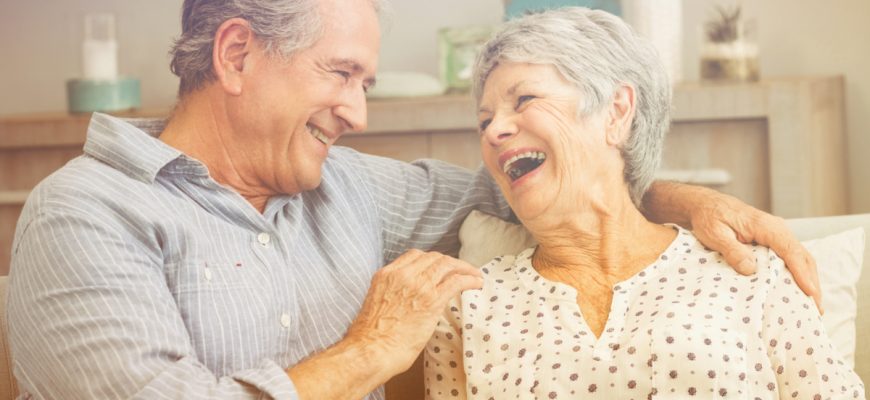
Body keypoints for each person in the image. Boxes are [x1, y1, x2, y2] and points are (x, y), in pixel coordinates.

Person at [7, 1, 820, 399]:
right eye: (341, 75)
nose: (359, 114)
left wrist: (675, 199)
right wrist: (365, 352)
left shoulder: (347, 187)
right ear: (235, 54)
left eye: (364, 81)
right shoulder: (85, 216)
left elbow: (540, 187)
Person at [424, 7, 863, 400]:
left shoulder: (751, 272)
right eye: (483, 120)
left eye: (524, 99)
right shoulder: (468, 306)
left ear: (616, 112)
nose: (493, 130)